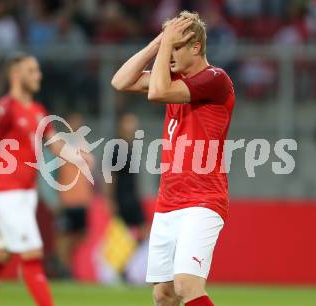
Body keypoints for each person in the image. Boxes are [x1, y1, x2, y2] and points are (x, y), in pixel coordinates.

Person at [111, 11, 235, 306]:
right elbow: (120, 81)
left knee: (186, 285)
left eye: (176, 46)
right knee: (163, 295)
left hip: (203, 199)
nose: (170, 53)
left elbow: (157, 91)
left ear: (196, 47)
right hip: (168, 201)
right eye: (169, 45)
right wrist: (158, 43)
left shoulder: (216, 79)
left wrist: (164, 45)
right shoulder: (174, 77)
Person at [0, 52, 90, 306]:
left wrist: (77, 157)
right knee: (33, 254)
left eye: (38, 70)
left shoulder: (37, 111)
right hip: (8, 194)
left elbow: (55, 145)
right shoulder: (3, 110)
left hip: (26, 194)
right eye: (32, 71)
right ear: (16, 75)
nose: (39, 75)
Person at [54, 113, 93, 278]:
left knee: (81, 235)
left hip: (82, 200)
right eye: (74, 121)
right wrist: (54, 199)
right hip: (66, 200)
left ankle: (64, 263)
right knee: (64, 236)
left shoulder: (84, 145)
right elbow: (51, 176)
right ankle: (63, 269)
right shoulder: (60, 145)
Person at [107, 113, 147, 241]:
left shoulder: (132, 147)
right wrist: (110, 200)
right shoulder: (117, 147)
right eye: (129, 123)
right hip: (122, 198)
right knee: (123, 237)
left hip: (133, 197)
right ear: (122, 125)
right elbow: (111, 175)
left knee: (141, 233)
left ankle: (135, 260)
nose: (133, 126)